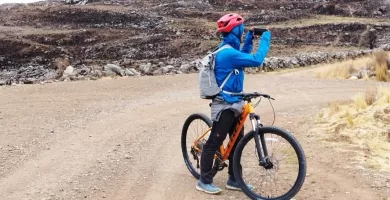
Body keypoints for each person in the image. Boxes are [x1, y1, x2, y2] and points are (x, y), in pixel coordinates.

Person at [196, 13, 272, 195]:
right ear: (235, 31)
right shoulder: (228, 53)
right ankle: (204, 180)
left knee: (237, 142)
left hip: (235, 103)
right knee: (214, 141)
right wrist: (265, 38)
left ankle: (234, 179)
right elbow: (256, 60)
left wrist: (248, 39)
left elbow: (242, 58)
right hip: (224, 105)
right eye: (241, 29)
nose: (242, 31)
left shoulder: (230, 51)